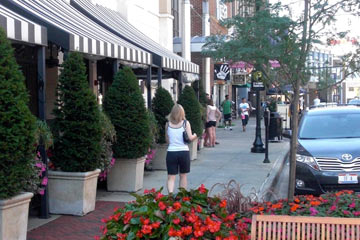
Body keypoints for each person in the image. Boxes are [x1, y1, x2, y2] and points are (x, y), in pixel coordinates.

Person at [165, 104, 197, 194]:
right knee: (183, 175)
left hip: (171, 152)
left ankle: (170, 195)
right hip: (183, 152)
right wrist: (195, 135)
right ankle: (182, 196)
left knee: (171, 177)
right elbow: (190, 138)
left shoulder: (167, 124)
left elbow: (167, 140)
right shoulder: (185, 123)